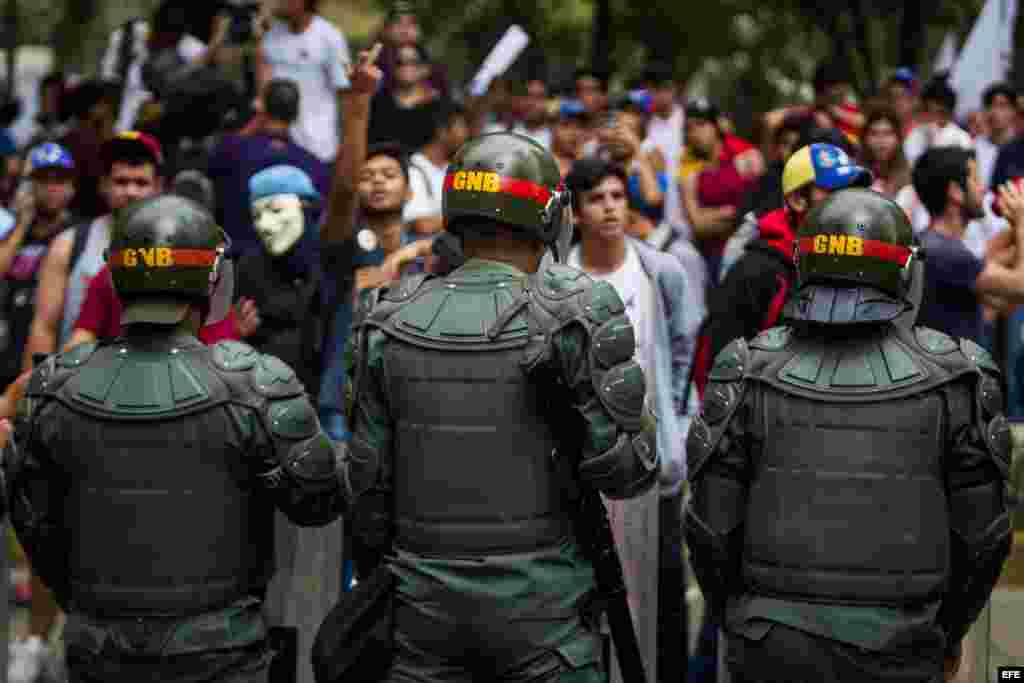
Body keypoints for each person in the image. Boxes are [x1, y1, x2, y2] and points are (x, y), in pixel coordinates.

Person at [339, 131, 658, 682]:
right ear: (550, 215)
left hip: (422, 615)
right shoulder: (578, 308)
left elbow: (368, 497)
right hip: (546, 615)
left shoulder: (384, 317)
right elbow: (630, 469)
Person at [2, 194, 344, 683]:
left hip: (99, 645)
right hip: (221, 649)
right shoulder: (255, 381)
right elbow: (319, 502)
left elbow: (35, 528)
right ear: (211, 279)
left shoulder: (53, 386)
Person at [686, 188, 1013, 683]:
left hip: (772, 646)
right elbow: (983, 540)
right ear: (907, 271)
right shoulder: (960, 375)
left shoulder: (746, 367)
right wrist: (945, 634)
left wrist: (744, 625)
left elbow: (710, 532)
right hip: (905, 643)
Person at [564, 157, 700, 683]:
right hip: (578, 460)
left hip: (651, 457)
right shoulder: (560, 275)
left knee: (662, 579)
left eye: (618, 196)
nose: (611, 208)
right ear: (576, 212)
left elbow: (684, 351)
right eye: (597, 198)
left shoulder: (658, 271)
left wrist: (675, 422)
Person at [25, 131, 164, 368]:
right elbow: (43, 328)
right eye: (121, 182)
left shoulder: (175, 247)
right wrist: (35, 397)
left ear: (158, 187)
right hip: (74, 389)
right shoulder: (69, 243)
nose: (130, 191)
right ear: (103, 185)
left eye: (141, 183)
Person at [206, 78, 329, 254]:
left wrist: (257, 119)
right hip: (293, 267)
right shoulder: (314, 164)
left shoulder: (229, 151)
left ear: (261, 108)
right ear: (296, 114)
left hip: (237, 262)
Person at [257, 0, 351, 163]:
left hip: (319, 146)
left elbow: (344, 94)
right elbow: (263, 91)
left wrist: (346, 143)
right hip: (279, 143)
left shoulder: (330, 37)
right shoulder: (271, 36)